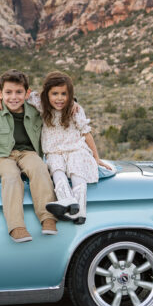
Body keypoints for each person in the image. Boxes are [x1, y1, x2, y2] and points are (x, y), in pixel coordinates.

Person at [0, 70, 58, 242]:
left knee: (40, 168)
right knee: (11, 176)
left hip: (28, 153)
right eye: (8, 92)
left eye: (19, 92)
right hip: (2, 156)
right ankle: (16, 226)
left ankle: (48, 218)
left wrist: (75, 105)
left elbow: (57, 101)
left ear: (27, 93)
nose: (13, 97)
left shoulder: (35, 110)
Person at [28, 71, 109, 225]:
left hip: (76, 148)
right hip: (54, 151)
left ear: (70, 94)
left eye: (64, 94)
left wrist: (96, 157)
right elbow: (24, 93)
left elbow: (86, 133)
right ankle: (67, 201)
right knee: (56, 170)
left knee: (76, 171)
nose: (59, 98)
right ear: (47, 94)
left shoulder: (75, 110)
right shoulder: (41, 104)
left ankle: (80, 211)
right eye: (55, 94)